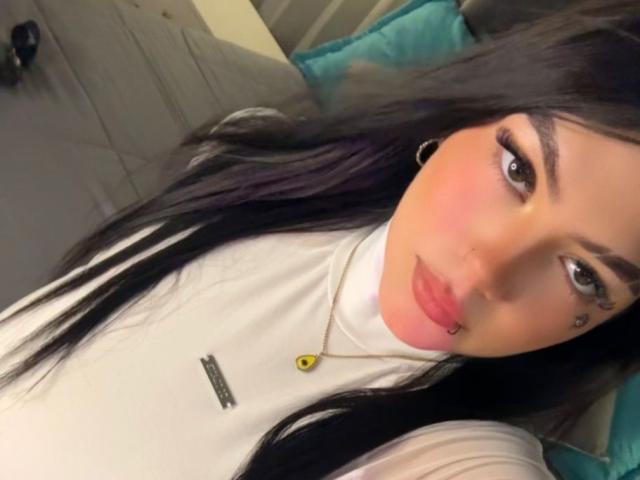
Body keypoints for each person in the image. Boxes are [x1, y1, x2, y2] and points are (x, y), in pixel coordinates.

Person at [1, 0, 639, 478]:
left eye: (584, 274)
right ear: (466, 117)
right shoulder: (249, 166)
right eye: (518, 169)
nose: (483, 272)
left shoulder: (456, 458)